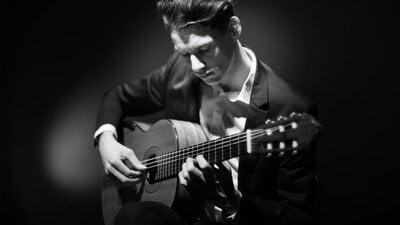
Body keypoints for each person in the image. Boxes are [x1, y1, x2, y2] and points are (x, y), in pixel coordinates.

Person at [94, 0, 319, 224]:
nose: (195, 67)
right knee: (135, 216)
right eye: (184, 54)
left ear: (233, 29)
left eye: (204, 50)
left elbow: (301, 219)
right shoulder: (179, 73)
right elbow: (116, 97)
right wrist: (106, 140)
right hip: (186, 215)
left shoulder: (288, 108)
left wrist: (233, 200)